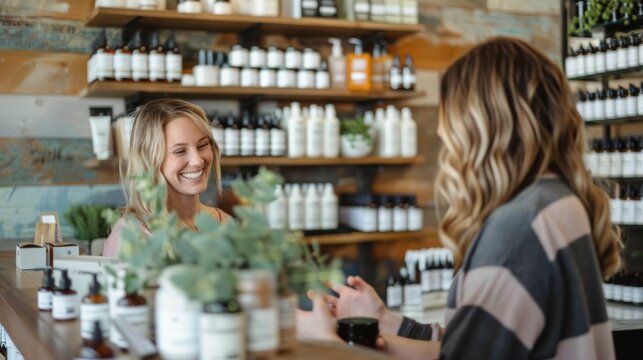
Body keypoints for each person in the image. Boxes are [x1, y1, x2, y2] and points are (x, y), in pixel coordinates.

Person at [297, 36, 622, 359]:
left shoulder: (519, 227)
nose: (440, 131)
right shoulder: (556, 200)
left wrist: (325, 344)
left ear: (483, 124)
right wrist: (383, 321)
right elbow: (469, 346)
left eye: (449, 113)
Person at [103, 99, 230, 257]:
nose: (198, 160)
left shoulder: (225, 223)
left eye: (202, 145)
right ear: (150, 161)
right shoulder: (133, 236)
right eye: (179, 151)